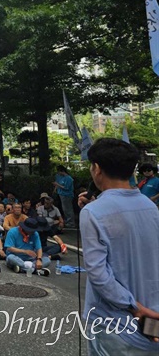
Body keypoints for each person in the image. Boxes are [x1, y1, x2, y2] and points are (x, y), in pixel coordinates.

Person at [79, 138, 159, 353]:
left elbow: (98, 274)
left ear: (97, 169)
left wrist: (134, 306)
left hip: (113, 325)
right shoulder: (150, 207)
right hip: (152, 322)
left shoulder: (93, 212)